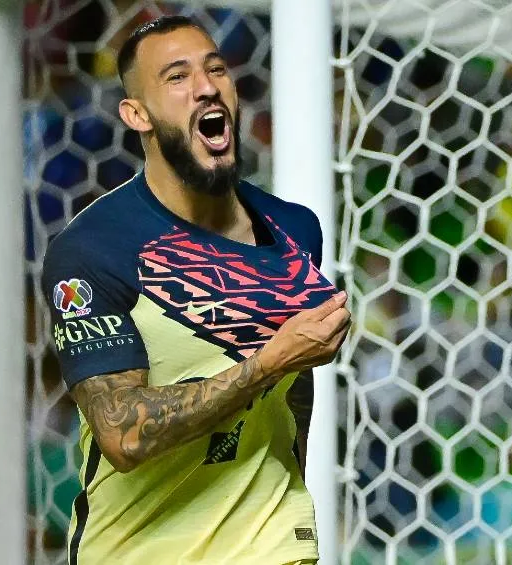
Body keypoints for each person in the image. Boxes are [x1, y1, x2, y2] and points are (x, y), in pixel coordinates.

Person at [40, 16, 350, 565]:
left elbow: (297, 392)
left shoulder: (295, 230)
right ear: (138, 114)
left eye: (216, 70)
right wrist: (270, 361)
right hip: (141, 549)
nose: (206, 87)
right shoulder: (93, 250)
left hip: (272, 544)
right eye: (177, 78)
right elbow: (123, 435)